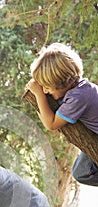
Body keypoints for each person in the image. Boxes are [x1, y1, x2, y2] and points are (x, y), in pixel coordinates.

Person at [27, 42, 98, 186]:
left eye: (47, 88)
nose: (45, 91)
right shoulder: (81, 89)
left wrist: (39, 95)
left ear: (64, 84)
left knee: (82, 172)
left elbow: (51, 124)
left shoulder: (78, 97)